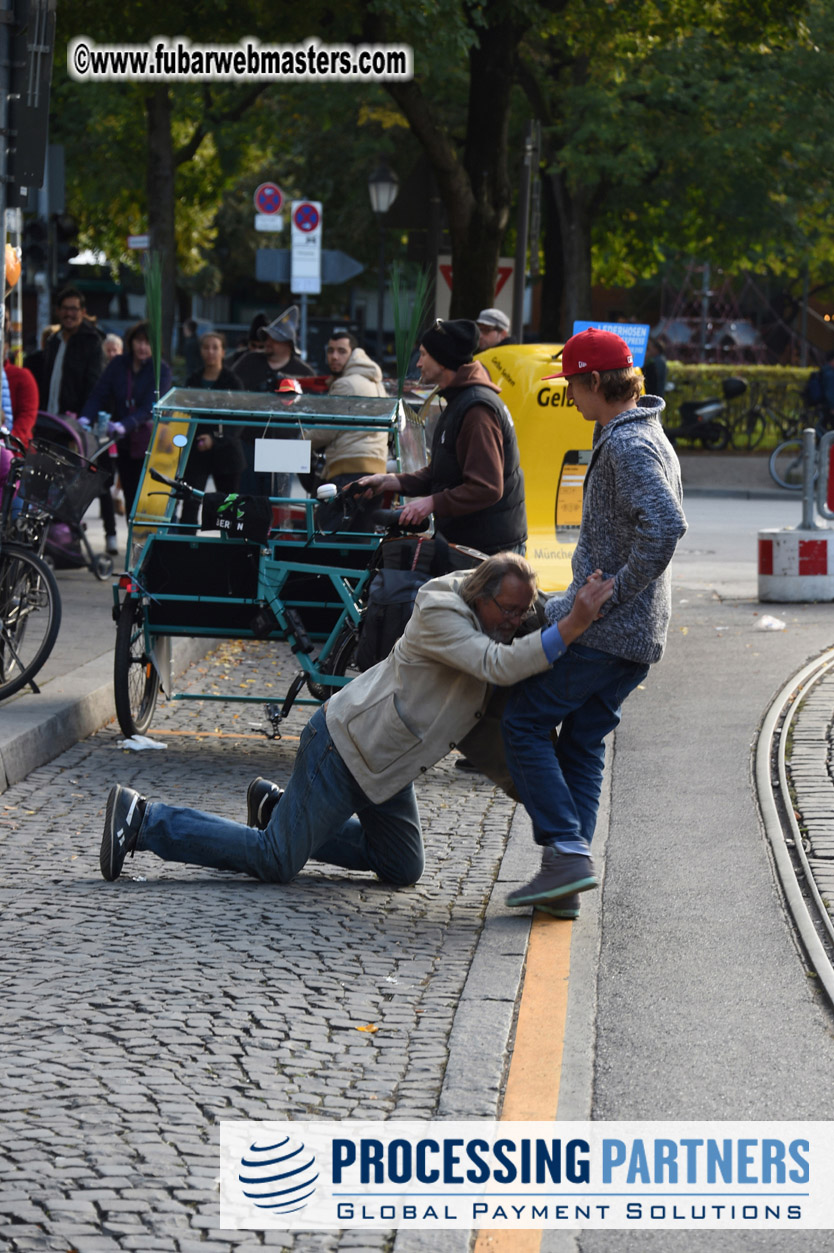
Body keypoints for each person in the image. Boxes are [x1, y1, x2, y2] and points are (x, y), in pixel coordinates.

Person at [100, 553, 614, 886]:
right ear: (481, 596)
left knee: (401, 867)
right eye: (510, 612)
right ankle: (144, 820)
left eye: (524, 613)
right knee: (275, 860)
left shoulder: (494, 612)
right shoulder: (441, 612)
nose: (518, 622)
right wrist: (572, 626)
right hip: (344, 747)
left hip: (388, 764)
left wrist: (574, 608)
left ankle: (277, 807)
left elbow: (521, 650)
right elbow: (497, 665)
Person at [499, 327, 687, 918]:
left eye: (573, 387)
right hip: (637, 635)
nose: (570, 397)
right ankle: (564, 882)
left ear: (598, 382)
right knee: (581, 741)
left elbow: (666, 526)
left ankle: (565, 851)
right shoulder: (644, 431)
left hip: (608, 633)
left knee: (522, 721)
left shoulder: (628, 445)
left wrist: (609, 596)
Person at [358, 318, 527, 554]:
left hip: (490, 551)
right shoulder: (459, 400)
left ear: (442, 360)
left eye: (424, 355)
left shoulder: (476, 409)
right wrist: (389, 482)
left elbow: (486, 487)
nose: (418, 363)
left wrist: (431, 503)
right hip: (470, 543)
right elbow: (443, 473)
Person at [39, 288, 112, 547]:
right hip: (48, 423)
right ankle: (49, 542)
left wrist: (80, 425)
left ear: (82, 312)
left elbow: (94, 387)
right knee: (46, 486)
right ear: (58, 311)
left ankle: (69, 544)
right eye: (65, 308)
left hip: (73, 428)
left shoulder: (92, 341)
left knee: (71, 488)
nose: (69, 313)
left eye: (74, 309)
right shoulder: (54, 340)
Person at [81, 320, 172, 518]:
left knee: (151, 500)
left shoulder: (161, 370)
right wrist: (85, 418)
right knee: (130, 497)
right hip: (125, 444)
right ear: (131, 342)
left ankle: (153, 536)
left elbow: (151, 407)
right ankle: (133, 537)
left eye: (148, 342)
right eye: (139, 341)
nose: (142, 347)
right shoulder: (118, 364)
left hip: (151, 443)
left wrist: (125, 424)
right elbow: (99, 393)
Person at [304, 328, 389, 525]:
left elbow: (326, 429)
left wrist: (299, 441)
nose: (334, 356)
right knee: (360, 535)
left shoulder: (345, 384)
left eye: (341, 351)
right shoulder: (376, 383)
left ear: (354, 354)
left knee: (326, 532)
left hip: (348, 469)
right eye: (330, 350)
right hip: (376, 470)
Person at [180, 331, 244, 528]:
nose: (210, 352)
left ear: (223, 351)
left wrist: (215, 440)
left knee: (229, 508)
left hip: (226, 451)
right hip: (197, 450)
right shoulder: (193, 379)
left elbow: (239, 418)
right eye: (206, 347)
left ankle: (231, 546)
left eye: (215, 347)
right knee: (190, 504)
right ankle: (185, 543)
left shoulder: (233, 381)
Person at [231, 305, 315, 393]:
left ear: (288, 344)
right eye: (267, 338)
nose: (268, 342)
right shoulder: (249, 360)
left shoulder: (304, 373)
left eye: (275, 339)